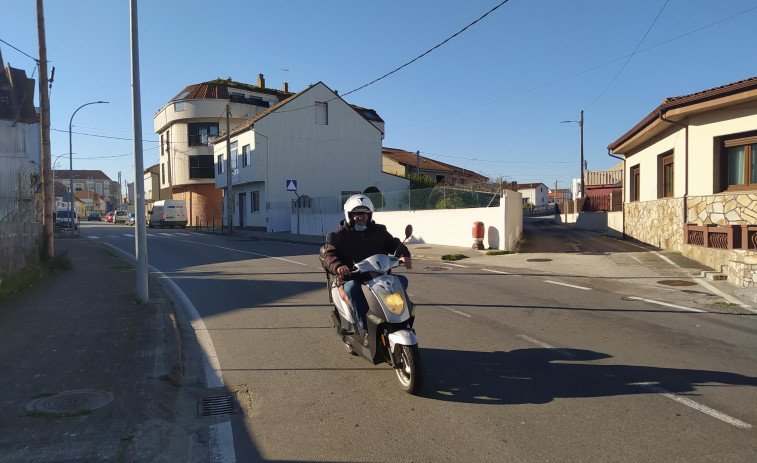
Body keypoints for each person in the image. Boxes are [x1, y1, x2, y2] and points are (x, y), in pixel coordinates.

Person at [321, 194, 412, 338]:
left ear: (369, 215)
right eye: (357, 214)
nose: (361, 217)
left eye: (364, 213)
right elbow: (329, 255)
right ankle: (365, 330)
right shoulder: (340, 235)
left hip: (379, 275)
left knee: (401, 281)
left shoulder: (379, 231)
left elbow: (394, 243)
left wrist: (404, 254)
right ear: (350, 215)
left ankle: (402, 321)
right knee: (352, 289)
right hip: (354, 277)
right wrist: (338, 266)